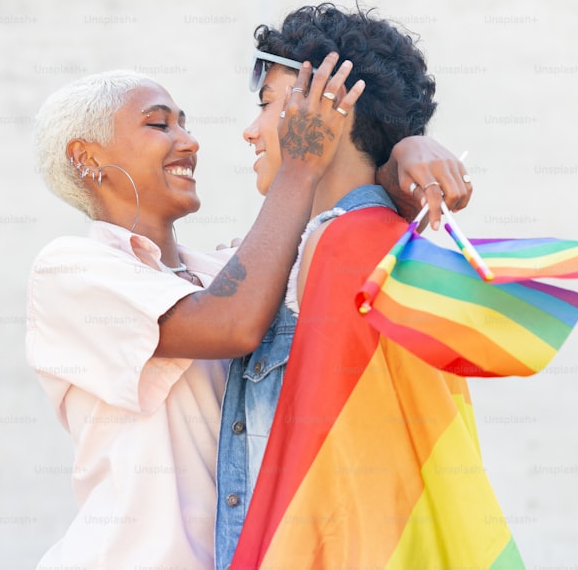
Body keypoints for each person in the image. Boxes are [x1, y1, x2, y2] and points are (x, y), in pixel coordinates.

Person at [25, 58, 468, 568]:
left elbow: (340, 228)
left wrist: (405, 152)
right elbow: (231, 324)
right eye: (158, 123)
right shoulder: (71, 271)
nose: (189, 141)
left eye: (185, 123)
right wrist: (300, 164)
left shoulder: (225, 271)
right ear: (86, 158)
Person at [215, 3, 476, 568]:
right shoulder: (337, 242)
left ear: (330, 107)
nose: (250, 130)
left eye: (266, 105)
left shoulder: (345, 245)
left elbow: (341, 473)